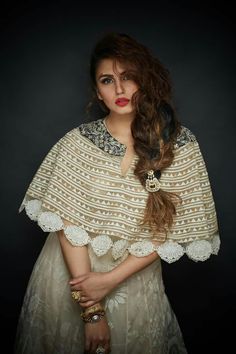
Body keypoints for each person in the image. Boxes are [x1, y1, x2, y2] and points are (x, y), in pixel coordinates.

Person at [15, 32, 220, 354]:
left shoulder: (181, 144)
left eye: (128, 77)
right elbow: (67, 226)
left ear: (146, 81)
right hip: (71, 278)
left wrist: (110, 280)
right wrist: (91, 308)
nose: (120, 90)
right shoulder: (78, 141)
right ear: (98, 92)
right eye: (108, 80)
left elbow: (173, 229)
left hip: (133, 281)